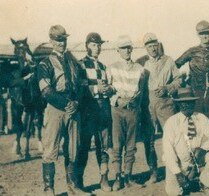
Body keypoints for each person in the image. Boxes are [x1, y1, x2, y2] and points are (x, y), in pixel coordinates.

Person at [37, 25, 87, 195]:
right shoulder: (45, 63)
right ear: (51, 41)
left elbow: (81, 86)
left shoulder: (73, 62)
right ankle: (49, 188)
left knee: (74, 148)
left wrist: (76, 103)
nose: (61, 43)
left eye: (63, 39)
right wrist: (66, 104)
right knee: (50, 148)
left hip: (73, 109)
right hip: (56, 108)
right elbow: (46, 90)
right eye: (58, 40)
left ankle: (73, 187)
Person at [163, 87, 209, 195]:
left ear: (194, 103)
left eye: (190, 102)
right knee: (173, 192)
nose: (186, 105)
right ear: (178, 105)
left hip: (197, 161)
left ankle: (205, 184)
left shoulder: (201, 118)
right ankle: (185, 181)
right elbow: (168, 152)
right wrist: (178, 174)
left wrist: (202, 149)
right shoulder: (171, 122)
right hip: (179, 164)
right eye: (183, 103)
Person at [141, 33, 182, 184]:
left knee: (172, 137)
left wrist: (168, 87)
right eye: (149, 46)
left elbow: (179, 79)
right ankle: (153, 172)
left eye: (154, 45)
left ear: (158, 45)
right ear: (145, 48)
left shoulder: (168, 61)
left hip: (166, 103)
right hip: (149, 104)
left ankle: (176, 170)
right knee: (149, 138)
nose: (152, 48)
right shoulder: (142, 63)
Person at [107, 35, 145, 191]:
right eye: (123, 48)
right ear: (118, 50)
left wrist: (133, 102)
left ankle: (128, 176)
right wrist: (117, 100)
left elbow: (140, 92)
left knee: (131, 145)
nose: (127, 50)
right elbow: (108, 89)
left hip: (133, 110)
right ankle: (117, 177)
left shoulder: (140, 69)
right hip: (117, 109)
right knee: (117, 145)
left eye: (129, 47)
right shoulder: (111, 68)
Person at [76, 32, 112, 192]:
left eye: (99, 45)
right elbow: (80, 88)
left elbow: (108, 87)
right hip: (87, 111)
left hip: (103, 110)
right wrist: (97, 88)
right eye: (93, 45)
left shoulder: (103, 66)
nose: (97, 48)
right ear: (87, 46)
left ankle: (104, 179)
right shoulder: (80, 65)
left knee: (103, 146)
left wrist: (109, 89)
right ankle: (78, 182)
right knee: (83, 146)